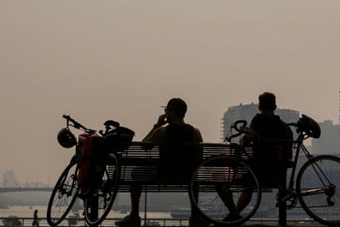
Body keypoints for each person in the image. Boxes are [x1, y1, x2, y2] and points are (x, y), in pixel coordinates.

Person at [116, 98, 204, 227]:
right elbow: (199, 156)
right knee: (193, 176)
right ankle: (195, 217)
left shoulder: (162, 131)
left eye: (166, 110)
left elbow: (143, 145)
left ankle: (134, 215)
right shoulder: (195, 132)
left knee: (136, 173)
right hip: (187, 176)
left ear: (172, 112)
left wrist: (157, 125)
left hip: (164, 174)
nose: (165, 113)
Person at [221, 92, 294, 221]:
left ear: (259, 107)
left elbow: (247, 140)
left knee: (247, 185)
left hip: (260, 170)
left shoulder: (258, 120)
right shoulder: (284, 126)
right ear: (275, 107)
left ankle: (234, 214)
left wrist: (244, 139)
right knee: (249, 181)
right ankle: (234, 214)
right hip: (278, 174)